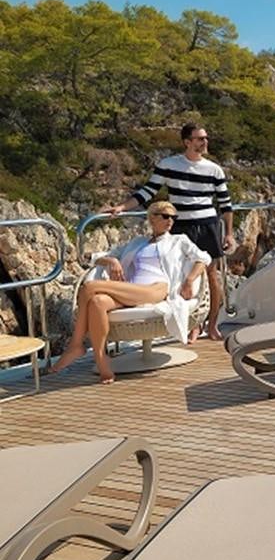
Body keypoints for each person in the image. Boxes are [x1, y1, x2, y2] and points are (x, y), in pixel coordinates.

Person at [49, 202, 210, 384]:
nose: (170, 221)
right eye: (165, 216)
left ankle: (76, 345)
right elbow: (97, 257)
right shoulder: (137, 243)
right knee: (98, 302)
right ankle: (102, 362)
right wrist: (111, 260)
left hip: (156, 289)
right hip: (130, 289)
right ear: (152, 218)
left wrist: (189, 280)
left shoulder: (178, 241)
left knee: (89, 288)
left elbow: (203, 258)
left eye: (173, 217)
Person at [103, 122, 234, 341]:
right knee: (183, 274)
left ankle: (212, 324)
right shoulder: (169, 165)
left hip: (209, 225)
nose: (205, 142)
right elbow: (148, 191)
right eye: (200, 138)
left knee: (212, 276)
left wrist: (228, 233)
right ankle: (193, 324)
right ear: (187, 142)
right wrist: (122, 207)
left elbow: (226, 205)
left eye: (206, 138)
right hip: (181, 225)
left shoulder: (214, 170)